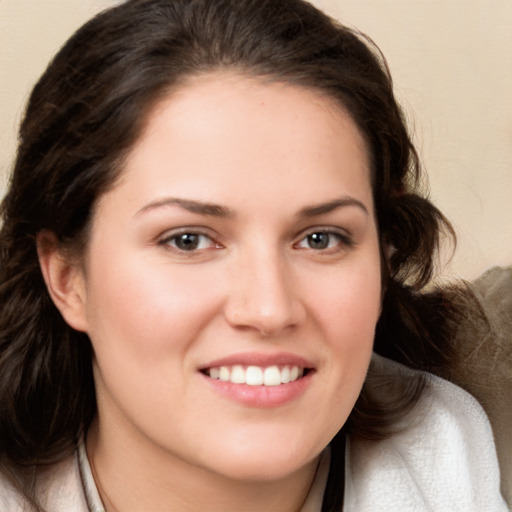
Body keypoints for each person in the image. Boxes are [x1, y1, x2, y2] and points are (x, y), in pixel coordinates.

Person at [0, 0, 507, 510]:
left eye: (321, 238)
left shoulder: (458, 457)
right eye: (188, 240)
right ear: (67, 278)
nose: (269, 309)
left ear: (384, 262)